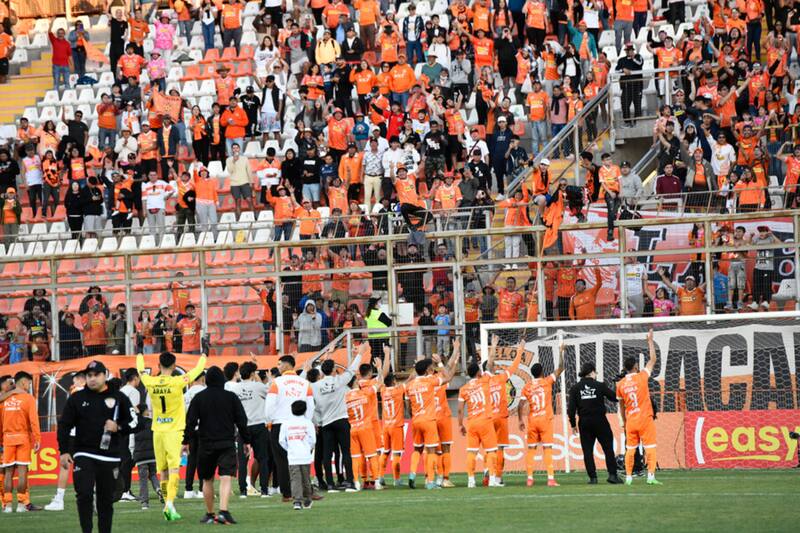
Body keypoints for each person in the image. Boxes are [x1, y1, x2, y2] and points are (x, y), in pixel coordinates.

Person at [57, 361, 137, 533]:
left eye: (96, 375)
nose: (92, 379)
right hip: (83, 454)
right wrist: (63, 451)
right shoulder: (77, 398)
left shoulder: (119, 397)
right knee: (84, 494)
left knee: (105, 501)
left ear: (105, 375)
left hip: (110, 457)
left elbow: (136, 422)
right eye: (89, 375)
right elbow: (64, 425)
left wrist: (118, 427)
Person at [136, 351, 207, 521]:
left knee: (163, 471)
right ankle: (169, 504)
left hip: (157, 431)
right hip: (174, 431)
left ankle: (169, 506)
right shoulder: (178, 381)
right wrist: (204, 355)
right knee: (174, 468)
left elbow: (140, 370)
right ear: (174, 367)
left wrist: (139, 354)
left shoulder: (150, 381)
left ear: (158, 366)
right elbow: (198, 370)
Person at [184, 365, 249, 525]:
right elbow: (242, 420)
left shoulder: (199, 397)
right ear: (222, 379)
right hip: (226, 442)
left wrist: (185, 441)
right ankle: (224, 511)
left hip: (205, 443)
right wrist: (246, 440)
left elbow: (190, 421)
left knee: (207, 479)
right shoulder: (231, 397)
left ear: (207, 380)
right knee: (226, 477)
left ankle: (209, 513)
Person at [404, 348, 461, 490]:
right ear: (428, 370)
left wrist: (411, 416)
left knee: (417, 449)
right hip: (431, 419)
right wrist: (445, 363)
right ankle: (432, 481)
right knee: (433, 451)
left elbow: (406, 402)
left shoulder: (409, 385)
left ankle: (412, 474)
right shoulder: (431, 381)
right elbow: (448, 377)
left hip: (416, 420)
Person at [312, 343, 365, 491]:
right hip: (341, 420)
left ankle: (330, 483)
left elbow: (313, 403)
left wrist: (316, 422)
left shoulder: (315, 386)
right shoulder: (340, 380)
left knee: (327, 454)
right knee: (346, 451)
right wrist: (360, 354)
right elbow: (352, 369)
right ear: (335, 370)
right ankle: (349, 481)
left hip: (326, 423)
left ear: (322, 371)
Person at [265, 355, 315, 501]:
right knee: (301, 458)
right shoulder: (304, 383)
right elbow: (311, 406)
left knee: (281, 460)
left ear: (287, 366)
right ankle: (307, 491)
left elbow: (269, 406)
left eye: (280, 364)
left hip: (279, 423)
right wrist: (306, 421)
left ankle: (287, 493)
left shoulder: (276, 383)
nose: (278, 367)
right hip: (300, 423)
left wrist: (270, 421)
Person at [617, 329, 661, 485]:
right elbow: (653, 359)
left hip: (631, 421)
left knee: (630, 449)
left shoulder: (620, 384)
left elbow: (621, 406)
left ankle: (628, 477)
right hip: (645, 419)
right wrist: (650, 340)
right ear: (635, 367)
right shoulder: (642, 376)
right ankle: (650, 477)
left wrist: (624, 422)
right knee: (650, 447)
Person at [518, 342, 565, 487]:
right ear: (542, 372)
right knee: (547, 449)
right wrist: (561, 351)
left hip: (532, 420)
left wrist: (520, 419)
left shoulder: (527, 386)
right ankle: (550, 479)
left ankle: (530, 479)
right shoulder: (546, 382)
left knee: (531, 449)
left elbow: (520, 405)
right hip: (545, 420)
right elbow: (561, 368)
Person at [568, 362, 622, 484]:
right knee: (608, 448)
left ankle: (593, 478)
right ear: (591, 372)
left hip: (585, 422)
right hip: (600, 420)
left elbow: (571, 409)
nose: (596, 374)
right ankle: (612, 475)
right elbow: (615, 397)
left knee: (587, 451)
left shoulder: (575, 388)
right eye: (595, 372)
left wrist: (573, 424)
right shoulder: (599, 385)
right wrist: (618, 384)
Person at [226, 361, 271, 497]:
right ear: (253, 373)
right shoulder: (258, 386)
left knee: (242, 460)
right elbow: (270, 391)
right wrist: (268, 379)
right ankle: (264, 490)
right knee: (263, 458)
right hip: (258, 425)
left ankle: (243, 491)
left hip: (242, 428)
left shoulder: (235, 389)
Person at [486, 337, 525, 485]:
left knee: (490, 449)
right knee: (500, 448)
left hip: (488, 418)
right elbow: (515, 366)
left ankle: (489, 475)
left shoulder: (484, 381)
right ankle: (497, 478)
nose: (496, 367)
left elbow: (489, 364)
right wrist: (520, 350)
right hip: (501, 418)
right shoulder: (502, 378)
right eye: (495, 366)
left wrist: (493, 347)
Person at [1, 371, 41, 512]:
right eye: (29, 383)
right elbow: (34, 421)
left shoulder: (4, 399)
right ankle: (21, 504)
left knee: (8, 472)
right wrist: (37, 438)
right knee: (23, 471)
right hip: (23, 437)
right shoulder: (28, 398)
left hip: (7, 438)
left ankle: (7, 505)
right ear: (24, 382)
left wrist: (1, 439)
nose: (29, 385)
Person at [279, 400, 318, 510]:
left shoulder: (286, 424)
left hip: (293, 456)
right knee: (306, 479)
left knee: (295, 479)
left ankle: (297, 501)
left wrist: (289, 449)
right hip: (305, 455)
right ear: (305, 410)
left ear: (291, 410)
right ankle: (307, 499)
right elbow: (313, 440)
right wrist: (307, 448)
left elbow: (281, 441)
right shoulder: (308, 423)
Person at [133, 404, 161, 510]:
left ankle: (144, 502)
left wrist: (133, 453)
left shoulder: (135, 423)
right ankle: (158, 488)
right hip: (152, 454)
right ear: (145, 411)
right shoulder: (152, 423)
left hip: (140, 455)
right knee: (153, 474)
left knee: (143, 479)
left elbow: (132, 440)